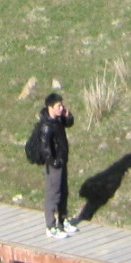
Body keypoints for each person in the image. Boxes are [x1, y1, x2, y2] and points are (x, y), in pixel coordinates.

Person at [38, 93, 77, 237]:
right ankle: (50, 226)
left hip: (62, 160)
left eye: (62, 105)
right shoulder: (46, 126)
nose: (61, 108)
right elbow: (45, 148)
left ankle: (62, 220)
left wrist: (67, 114)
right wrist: (53, 162)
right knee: (53, 193)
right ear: (50, 107)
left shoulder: (59, 119)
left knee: (63, 191)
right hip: (54, 165)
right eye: (58, 106)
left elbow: (70, 123)